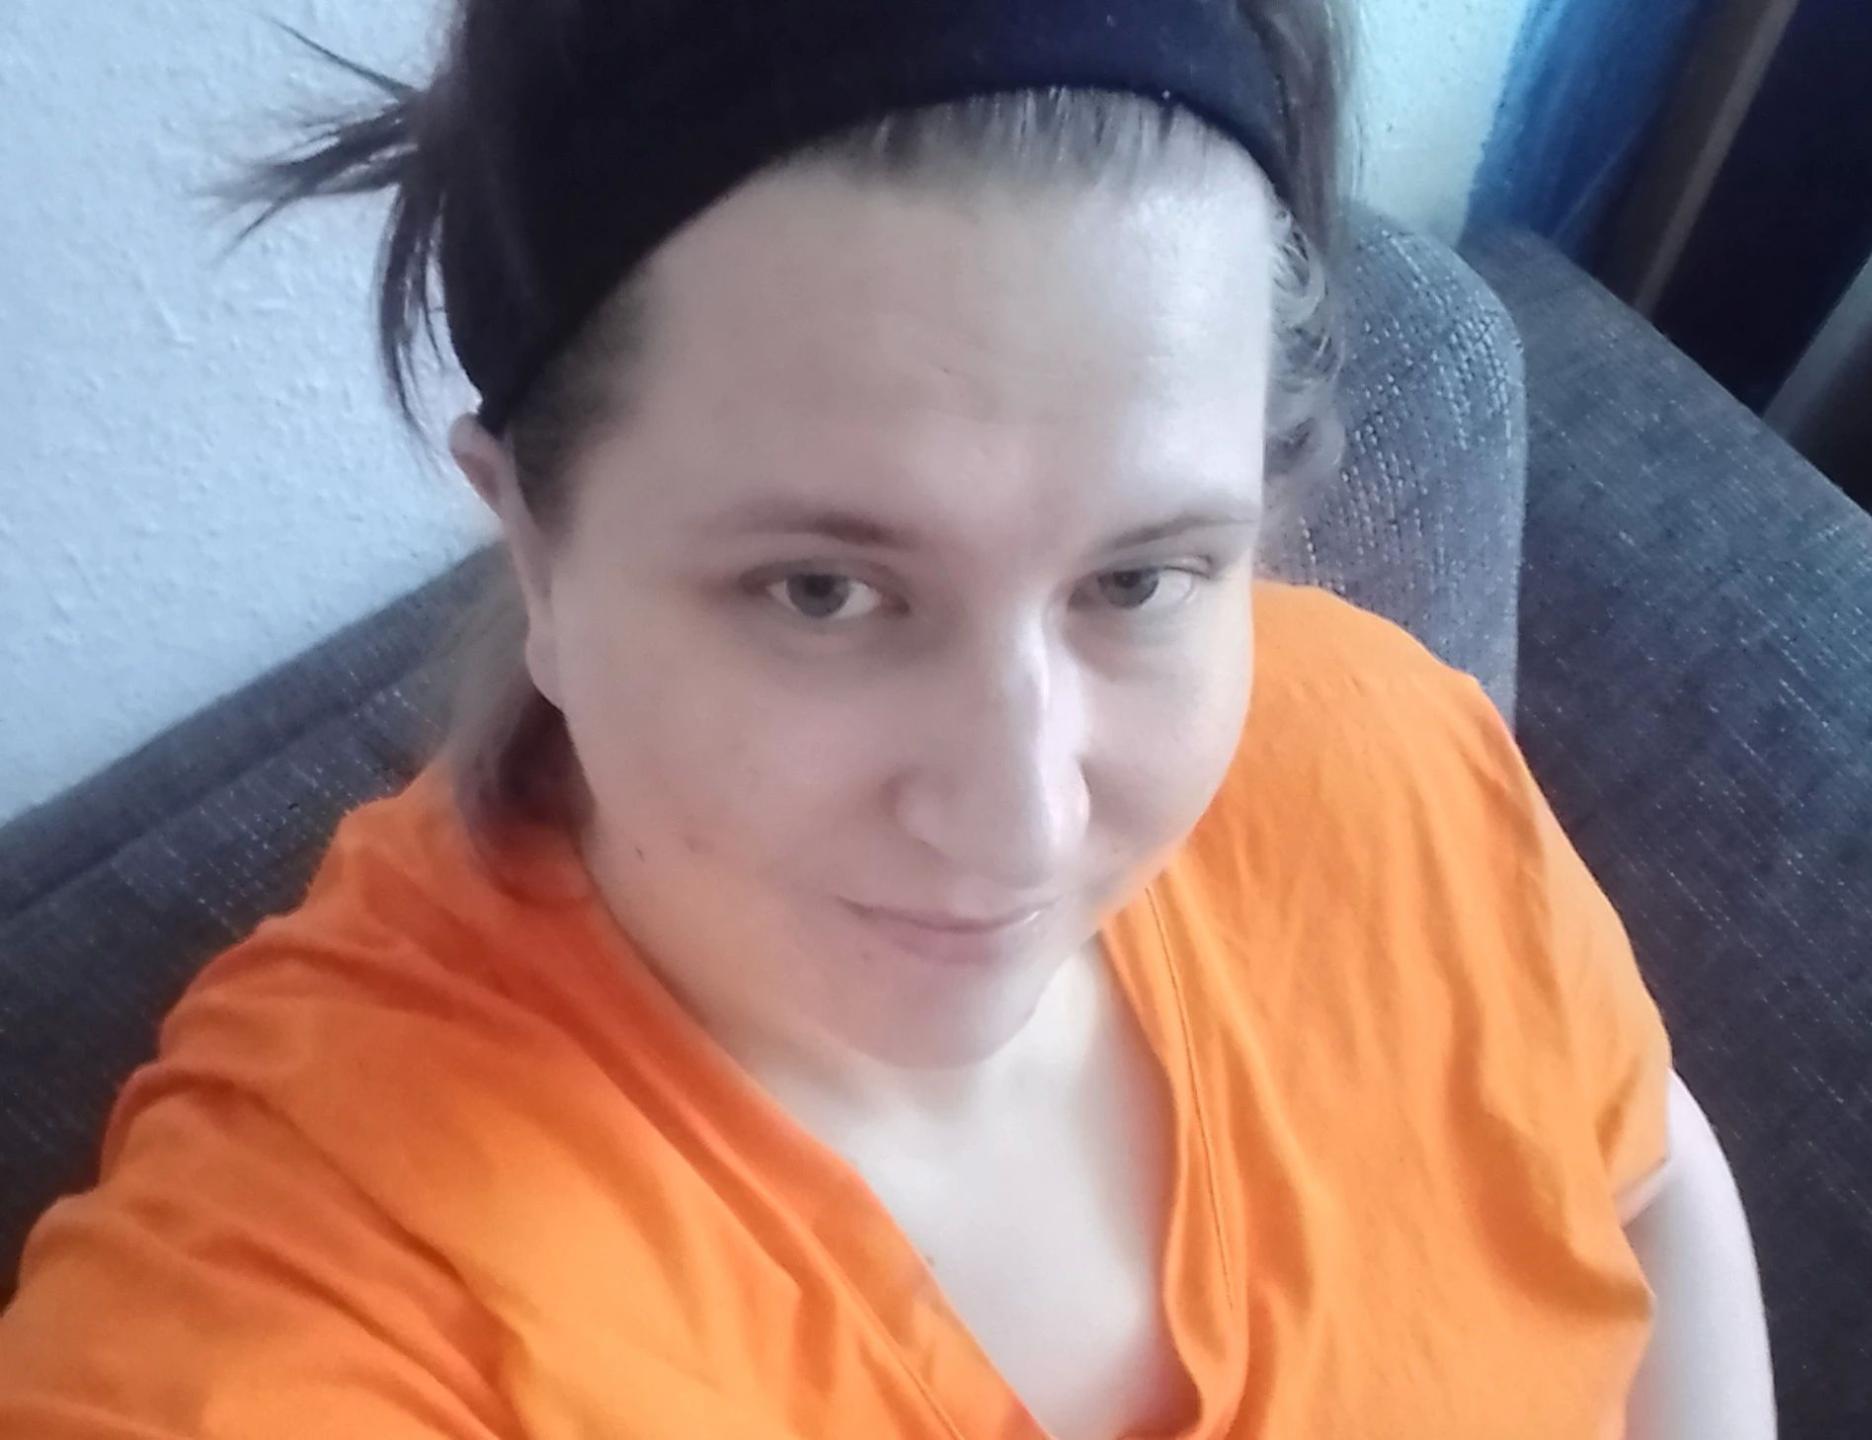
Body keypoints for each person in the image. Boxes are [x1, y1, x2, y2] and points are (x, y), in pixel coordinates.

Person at [0, 1, 1775, 1436]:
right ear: (535, 543)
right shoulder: (319, 1283)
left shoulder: (1374, 747)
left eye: (1142, 576)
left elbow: (1645, 1177)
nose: (1022, 817)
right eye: (822, 593)